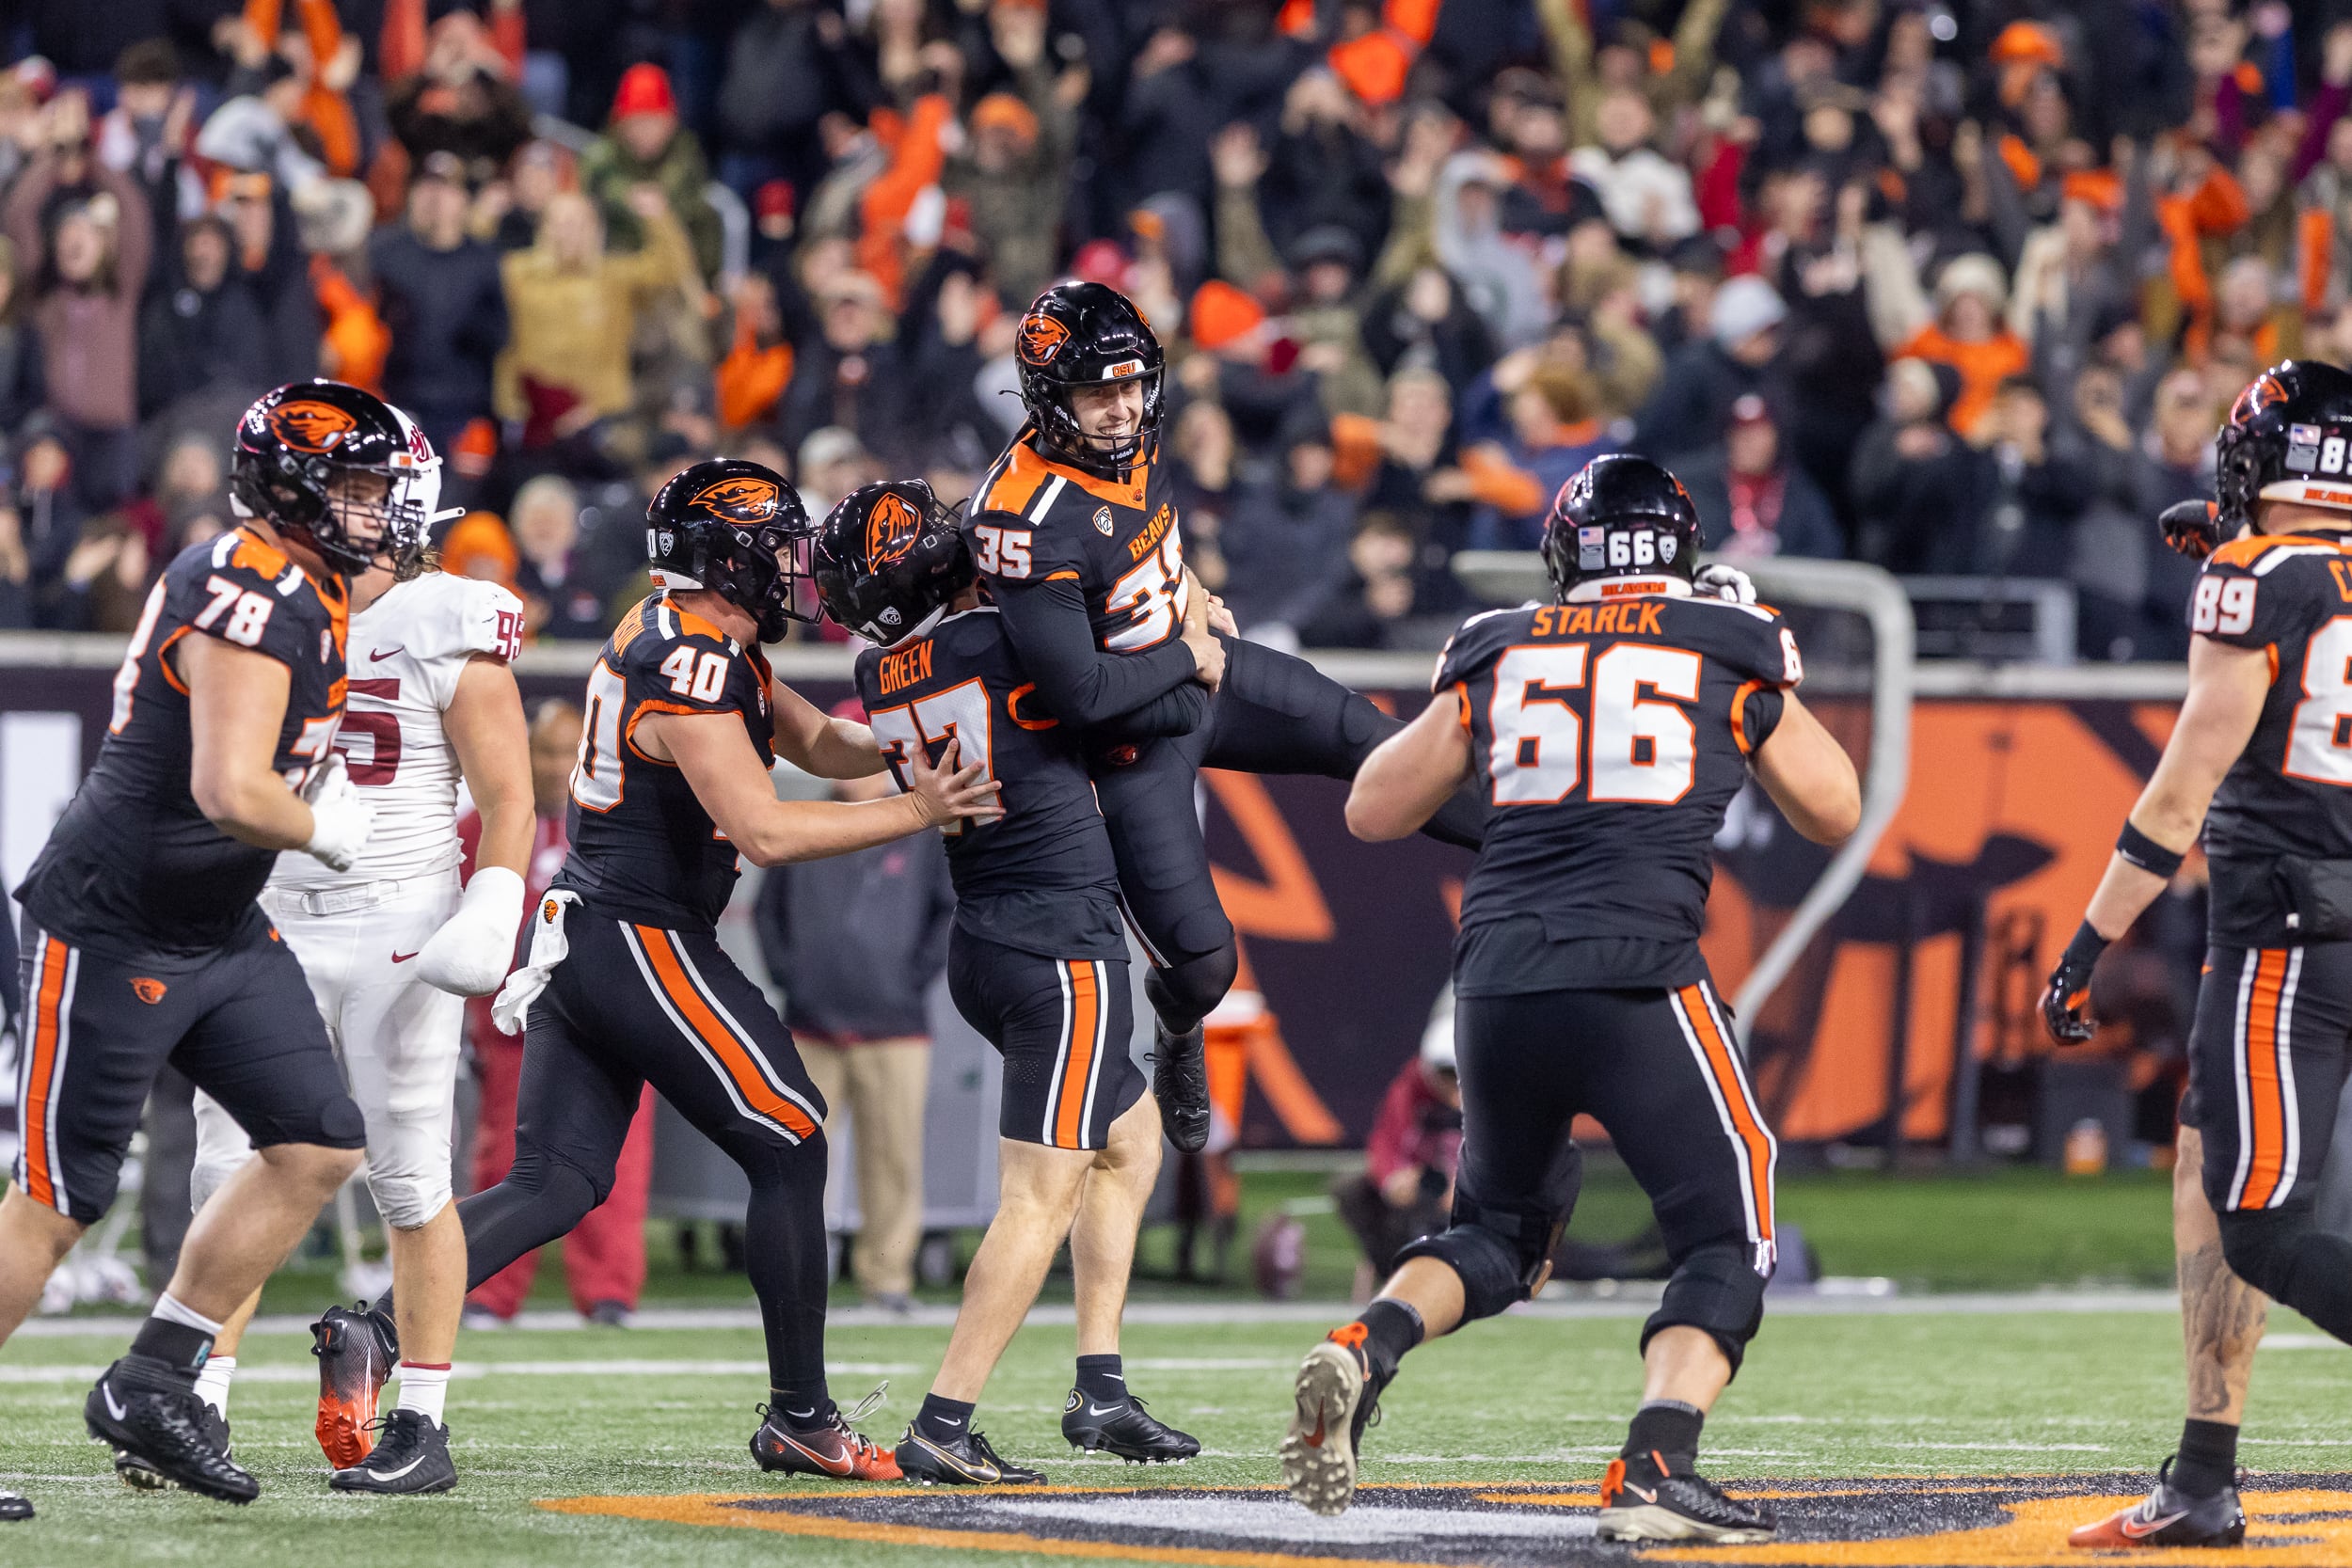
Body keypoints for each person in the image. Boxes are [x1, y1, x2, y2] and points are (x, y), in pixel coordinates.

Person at [373, 458, 997, 1483]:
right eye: (776, 550)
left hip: (598, 930)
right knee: (791, 1133)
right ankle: (802, 1412)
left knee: (555, 1180)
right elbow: (764, 826)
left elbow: (827, 744)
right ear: (727, 557)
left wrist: (919, 745)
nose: (793, 569)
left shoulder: (708, 645)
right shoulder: (692, 658)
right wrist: (926, 809)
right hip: (638, 932)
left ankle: (372, 1329)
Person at [1281, 453, 1860, 1543]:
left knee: (1498, 1230)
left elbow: (1371, 808)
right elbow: (1834, 808)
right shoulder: (1726, 638)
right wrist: (1757, 666)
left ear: (1564, 557)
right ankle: (1654, 1464)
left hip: (1495, 979)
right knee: (1727, 1236)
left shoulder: (1499, 643)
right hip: (1639, 971)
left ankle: (1368, 1344)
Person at [0, 381, 419, 1513]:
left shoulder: (306, 580)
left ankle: (154, 1373)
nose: (378, 510)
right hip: (112, 921)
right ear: (294, 489)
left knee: (318, 1140)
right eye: (359, 487)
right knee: (58, 1196)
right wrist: (326, 823)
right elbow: (230, 788)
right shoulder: (248, 581)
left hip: (216, 923)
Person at [964, 281, 1484, 1159]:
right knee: (1206, 965)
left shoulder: (1133, 436)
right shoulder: (1024, 515)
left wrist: (1190, 595)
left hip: (1193, 661)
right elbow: (1081, 695)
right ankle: (1177, 1027)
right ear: (1051, 398)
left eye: (1132, 385)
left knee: (1382, 748)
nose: (1125, 407)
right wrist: (1189, 652)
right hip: (1130, 732)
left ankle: (1551, 851)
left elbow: (1145, 542)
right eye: (1099, 392)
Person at [812, 479, 1205, 1483]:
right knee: (1038, 1194)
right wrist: (1193, 641)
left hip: (986, 943)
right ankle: (945, 1418)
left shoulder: (877, 666)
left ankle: (1101, 1384)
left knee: (1129, 1137)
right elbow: (1109, 694)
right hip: (1059, 947)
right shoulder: (996, 645)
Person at [178, 411, 532, 1496]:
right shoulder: (264, 600)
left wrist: (497, 899)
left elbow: (512, 795)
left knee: (411, 1176)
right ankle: (192, 1401)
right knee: (225, 1163)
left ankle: (420, 1418)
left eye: (382, 493)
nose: (374, 512)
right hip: (268, 911)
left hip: (398, 920)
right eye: (357, 489)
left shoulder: (445, 614)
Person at [2043, 359, 2352, 1548]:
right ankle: (2203, 1471)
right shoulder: (2273, 568)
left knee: (2261, 1223)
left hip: (2288, 936)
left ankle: (2204, 1481)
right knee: (2198, 1152)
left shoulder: (2252, 579)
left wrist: (2085, 944)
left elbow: (2179, 796)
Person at [462, 700, 658, 1328]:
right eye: (543, 751)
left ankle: (609, 1291)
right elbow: (462, 926)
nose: (553, 765)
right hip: (516, 1026)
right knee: (501, 1162)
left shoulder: (625, 822)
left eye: (566, 752)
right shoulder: (478, 828)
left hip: (615, 1023)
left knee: (618, 1164)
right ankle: (489, 1291)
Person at [755, 705, 954, 1314]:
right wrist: (794, 978)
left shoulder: (921, 826)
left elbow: (946, 914)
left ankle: (888, 1278)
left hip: (894, 1026)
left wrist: (908, 981)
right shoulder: (803, 822)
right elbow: (769, 911)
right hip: (811, 1022)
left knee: (893, 1158)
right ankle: (797, 1276)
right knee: (797, 1156)